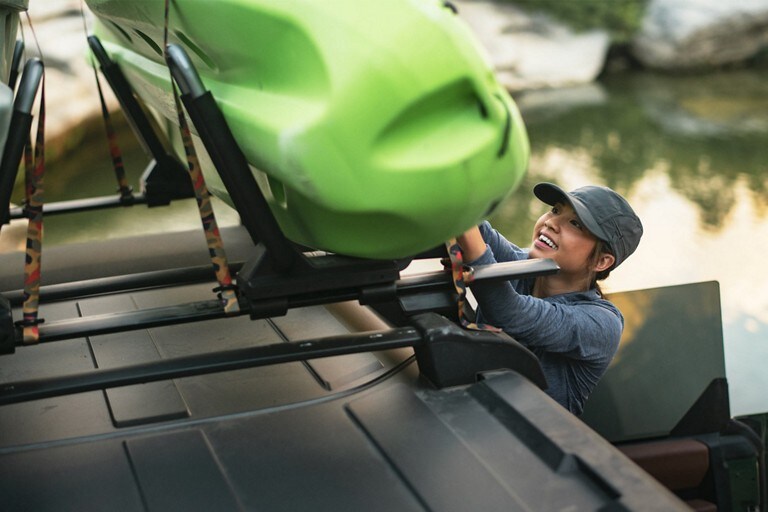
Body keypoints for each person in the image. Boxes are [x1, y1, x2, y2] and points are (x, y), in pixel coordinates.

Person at [457, 182, 643, 415]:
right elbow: (480, 231)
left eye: (575, 223)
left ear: (601, 262)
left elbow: (509, 313)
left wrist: (463, 225)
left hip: (536, 439)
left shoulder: (602, 323)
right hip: (473, 409)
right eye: (555, 210)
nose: (551, 222)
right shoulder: (521, 265)